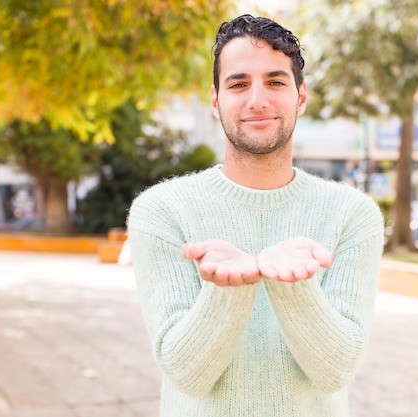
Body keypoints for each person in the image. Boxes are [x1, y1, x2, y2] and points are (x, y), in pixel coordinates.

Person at [127, 14, 384, 417]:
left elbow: (335, 371)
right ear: (216, 101)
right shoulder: (161, 210)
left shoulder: (353, 214)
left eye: (276, 82)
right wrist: (230, 287)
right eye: (239, 83)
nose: (257, 99)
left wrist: (293, 285)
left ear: (301, 96)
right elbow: (187, 374)